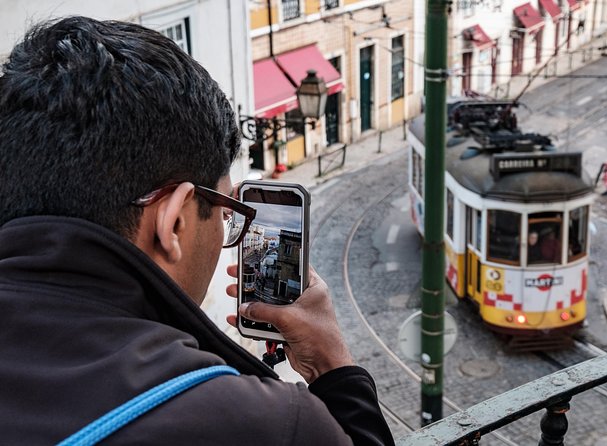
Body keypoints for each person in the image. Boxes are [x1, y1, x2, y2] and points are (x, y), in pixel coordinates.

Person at [0, 17, 393, 444]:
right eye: (227, 214)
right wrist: (334, 366)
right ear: (174, 221)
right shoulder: (262, 423)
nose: (228, 232)